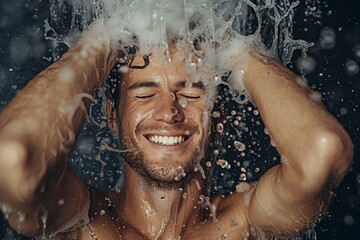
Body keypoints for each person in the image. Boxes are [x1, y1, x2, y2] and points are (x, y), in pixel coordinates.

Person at [0, 19, 353, 240]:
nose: (169, 112)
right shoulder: (79, 224)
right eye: (144, 92)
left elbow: (324, 151)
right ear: (112, 115)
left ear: (218, 117)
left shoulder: (242, 226)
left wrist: (231, 48)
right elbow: (13, 159)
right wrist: (104, 40)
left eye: (191, 92)